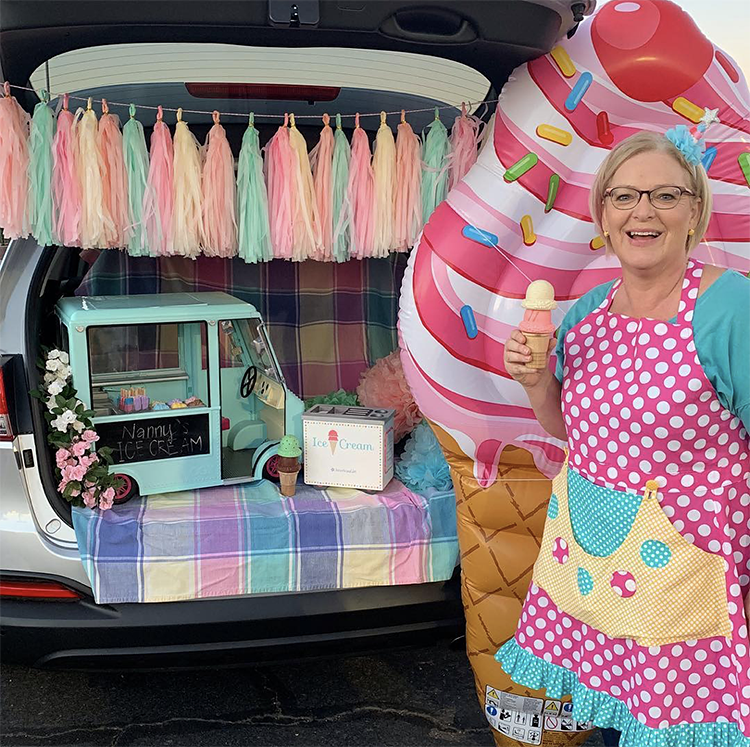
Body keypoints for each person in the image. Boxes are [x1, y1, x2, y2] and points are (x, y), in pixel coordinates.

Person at [496, 127, 750, 747]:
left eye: (665, 195)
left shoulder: (730, 307)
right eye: (624, 197)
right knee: (616, 727)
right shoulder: (584, 315)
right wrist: (536, 384)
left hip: (690, 578)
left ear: (695, 211)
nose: (643, 212)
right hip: (594, 572)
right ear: (603, 217)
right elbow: (573, 433)